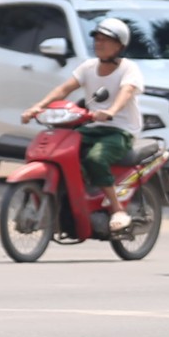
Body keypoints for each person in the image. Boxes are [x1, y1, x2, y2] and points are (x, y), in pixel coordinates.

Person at [22, 17, 143, 232]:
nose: (99, 43)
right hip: (90, 127)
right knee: (59, 150)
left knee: (95, 158)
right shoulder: (88, 67)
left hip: (120, 131)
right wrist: (37, 107)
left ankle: (117, 209)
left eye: (106, 39)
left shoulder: (128, 69)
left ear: (120, 45)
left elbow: (127, 91)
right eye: (97, 39)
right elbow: (64, 89)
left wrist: (111, 111)